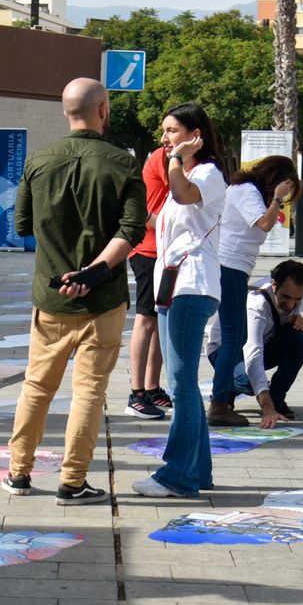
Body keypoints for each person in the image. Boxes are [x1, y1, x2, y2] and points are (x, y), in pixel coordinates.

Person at [3, 78, 145, 506]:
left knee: (37, 386)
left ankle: (18, 471)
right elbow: (132, 230)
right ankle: (73, 480)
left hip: (51, 297)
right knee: (89, 391)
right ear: (104, 110)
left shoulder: (38, 160)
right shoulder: (123, 163)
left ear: (65, 112)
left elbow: (22, 226)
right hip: (103, 299)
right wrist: (96, 270)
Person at [130, 103, 229, 499]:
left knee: (180, 383)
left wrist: (174, 159)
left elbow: (184, 195)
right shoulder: (188, 174)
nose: (165, 138)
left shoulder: (205, 173)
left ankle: (177, 475)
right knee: (182, 382)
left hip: (192, 286)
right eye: (164, 131)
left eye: (172, 131)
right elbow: (166, 218)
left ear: (195, 136)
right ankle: (198, 471)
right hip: (174, 286)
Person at [209, 154, 300, 427]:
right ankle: (220, 402)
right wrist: (276, 199)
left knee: (234, 336)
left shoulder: (246, 191)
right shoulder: (247, 190)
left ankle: (222, 399)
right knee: (234, 337)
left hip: (234, 268)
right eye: (284, 187)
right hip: (230, 268)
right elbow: (263, 223)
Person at [206, 260, 303, 428]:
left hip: (263, 343)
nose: (291, 305)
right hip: (225, 353)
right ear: (274, 285)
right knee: (249, 381)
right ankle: (225, 388)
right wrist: (266, 406)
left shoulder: (291, 294)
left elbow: (283, 320)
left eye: (297, 300)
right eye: (286, 298)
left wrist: (295, 319)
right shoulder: (257, 304)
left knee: (302, 337)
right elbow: (253, 352)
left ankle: (277, 397)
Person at [123, 145, 172, 421]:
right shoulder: (163, 157)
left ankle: (152, 388)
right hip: (148, 250)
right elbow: (149, 213)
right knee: (146, 319)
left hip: (164, 251)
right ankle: (137, 393)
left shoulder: (173, 158)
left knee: (157, 318)